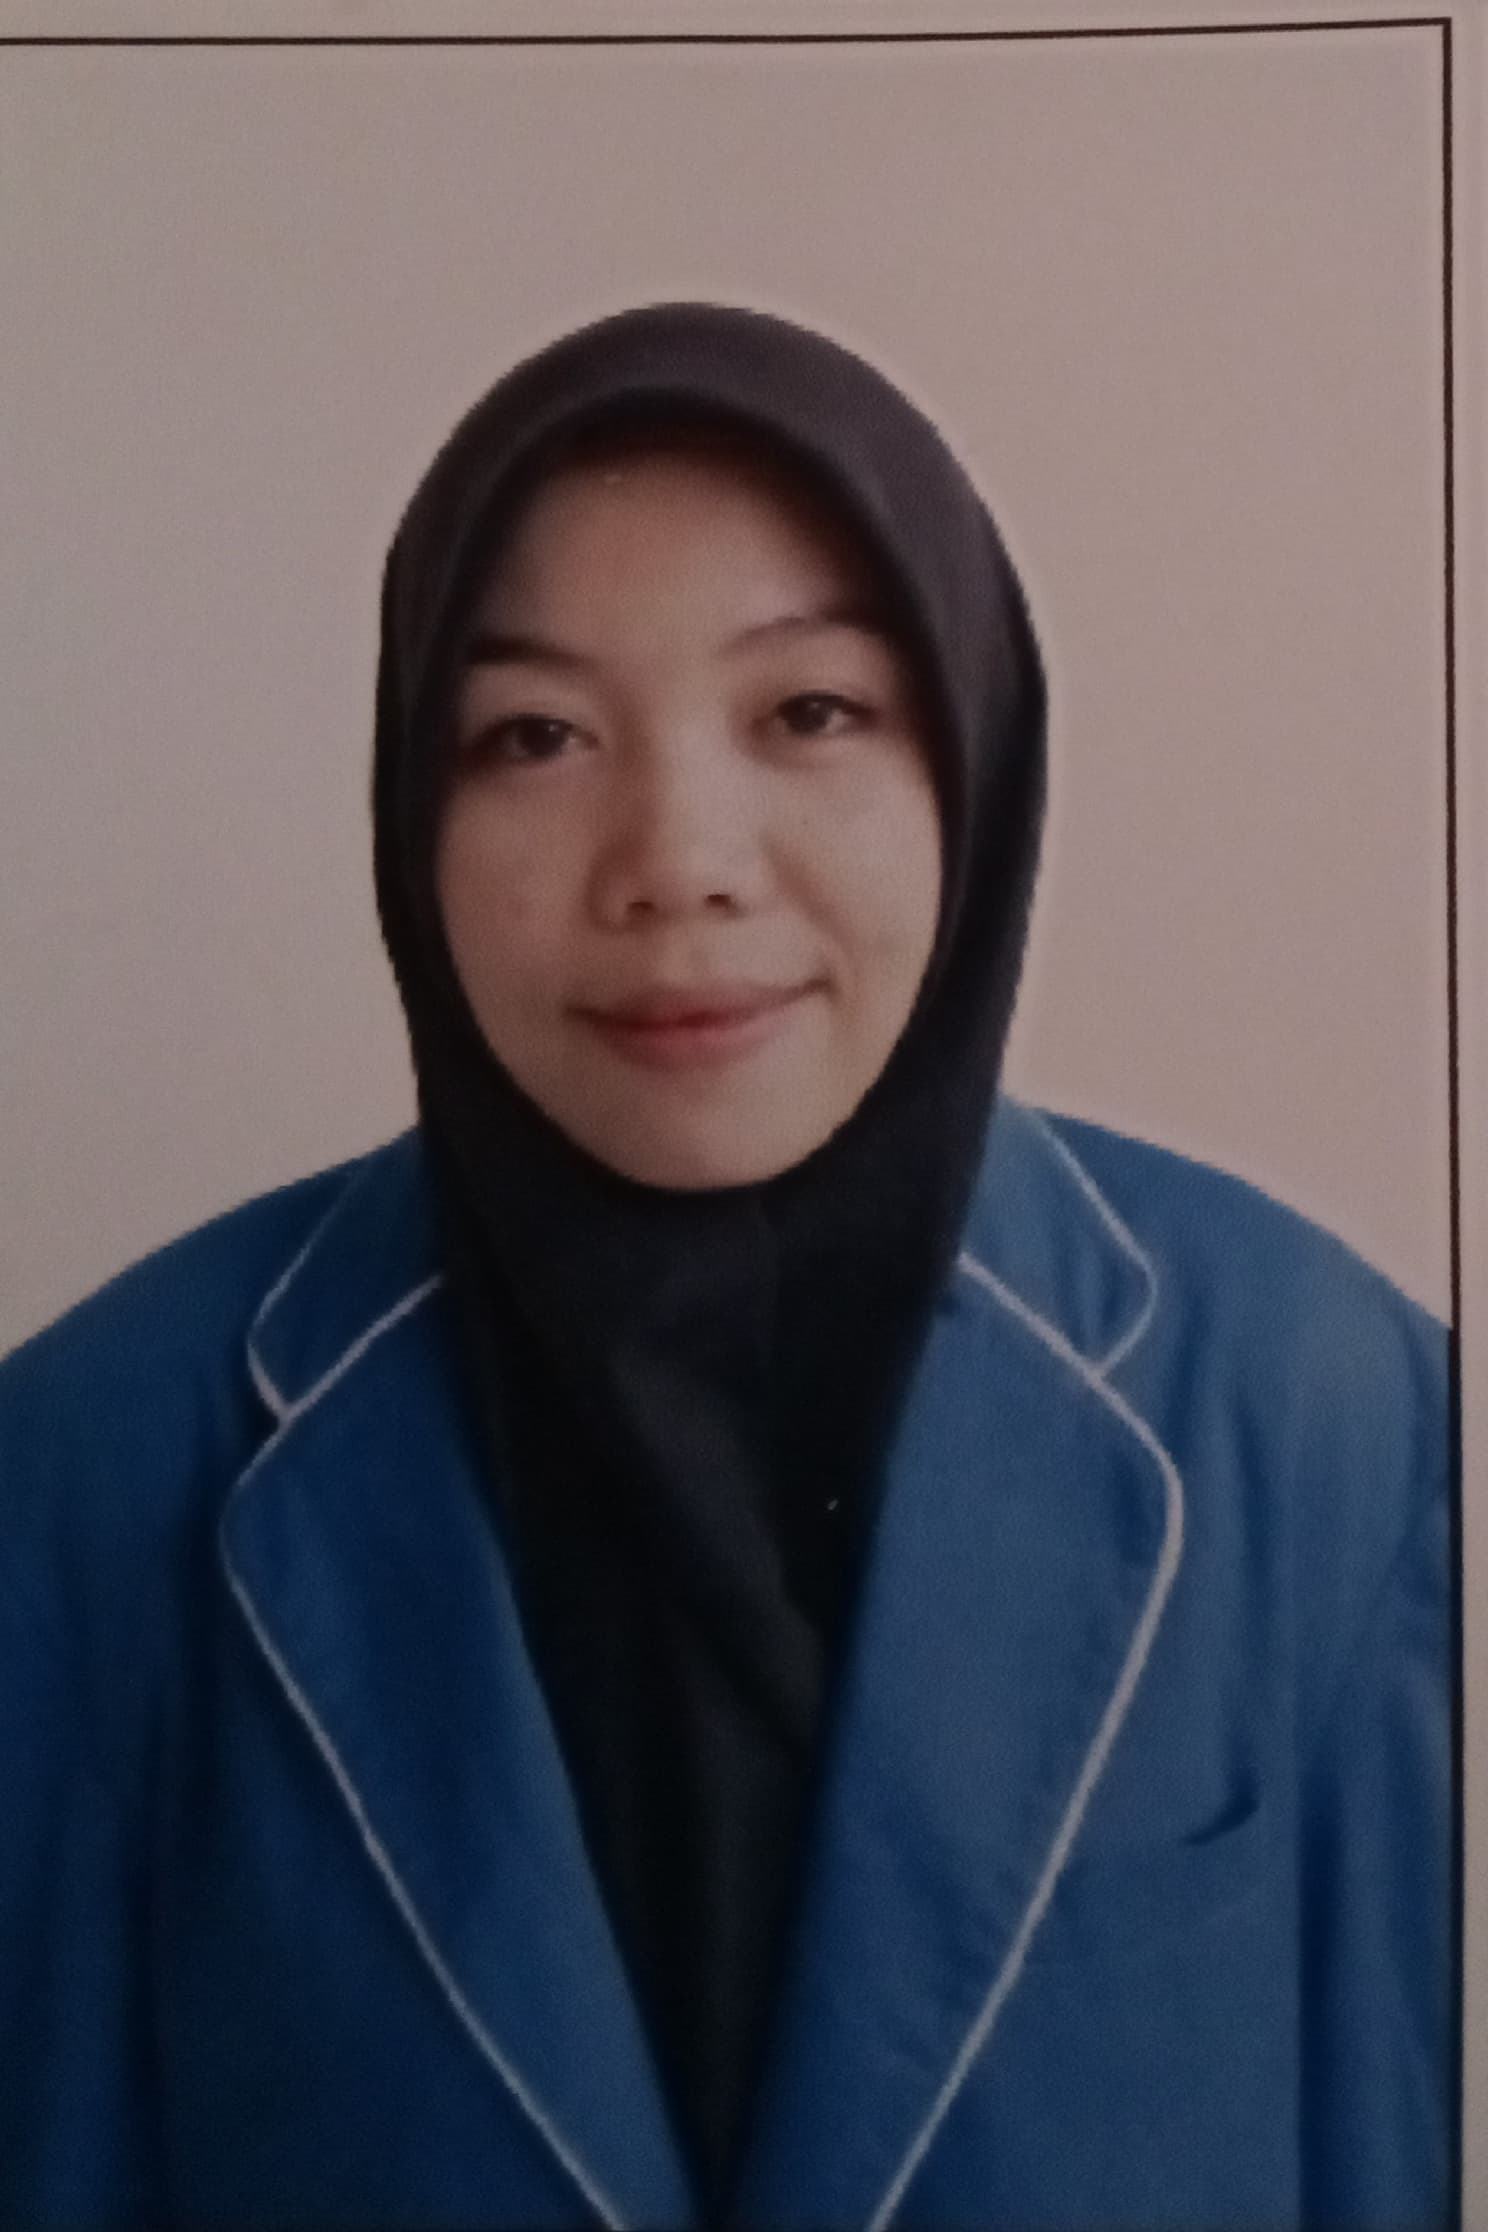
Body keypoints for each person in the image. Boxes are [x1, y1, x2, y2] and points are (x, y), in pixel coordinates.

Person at [0, 301, 1452, 2232]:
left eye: (810, 712)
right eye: (535, 736)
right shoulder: (88, 1472)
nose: (678, 859)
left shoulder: (1338, 1417)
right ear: (411, 811)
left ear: (974, 755)